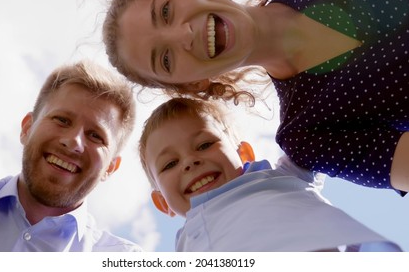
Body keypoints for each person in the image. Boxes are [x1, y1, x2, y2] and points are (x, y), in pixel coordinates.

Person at [102, 0, 409, 195]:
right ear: (191, 84)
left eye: (166, 11)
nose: (185, 34)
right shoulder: (306, 135)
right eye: (166, 59)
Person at [139, 97, 402, 251]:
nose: (189, 162)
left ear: (245, 155)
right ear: (162, 203)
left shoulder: (282, 176)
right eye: (169, 164)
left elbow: (313, 122)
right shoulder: (183, 248)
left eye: (205, 145)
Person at [0, 60, 142, 252]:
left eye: (95, 136)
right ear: (27, 128)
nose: (73, 141)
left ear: (110, 167)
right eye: (62, 120)